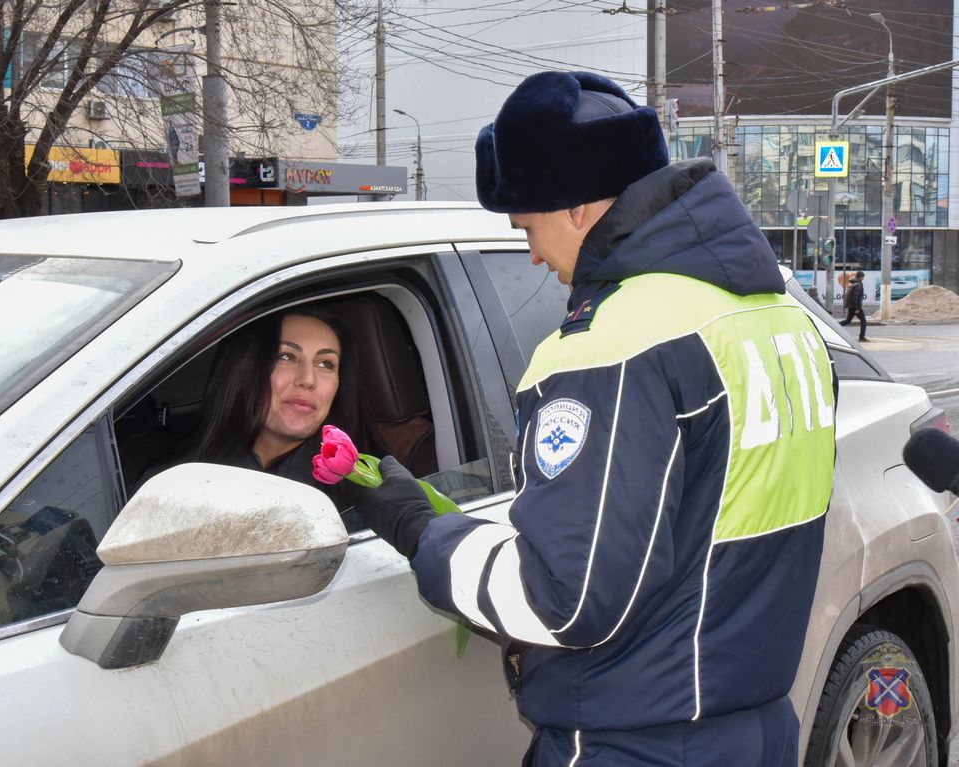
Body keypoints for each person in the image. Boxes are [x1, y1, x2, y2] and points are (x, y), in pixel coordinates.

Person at [352, 71, 837, 766]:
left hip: (634, 743)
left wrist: (422, 530)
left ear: (577, 207)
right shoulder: (780, 321)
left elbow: (564, 600)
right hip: (754, 731)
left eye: (527, 226)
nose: (532, 253)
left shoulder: (615, 346)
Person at [193, 305, 382, 514]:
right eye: (286, 357)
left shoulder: (365, 500)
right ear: (245, 369)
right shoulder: (179, 477)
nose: (308, 380)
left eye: (325, 364)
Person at [840, 270, 868, 341]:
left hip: (851, 306)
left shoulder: (853, 283)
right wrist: (857, 308)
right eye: (863, 277)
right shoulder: (858, 285)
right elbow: (855, 297)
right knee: (863, 321)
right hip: (855, 306)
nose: (863, 278)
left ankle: (834, 327)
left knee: (848, 321)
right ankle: (862, 337)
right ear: (860, 277)